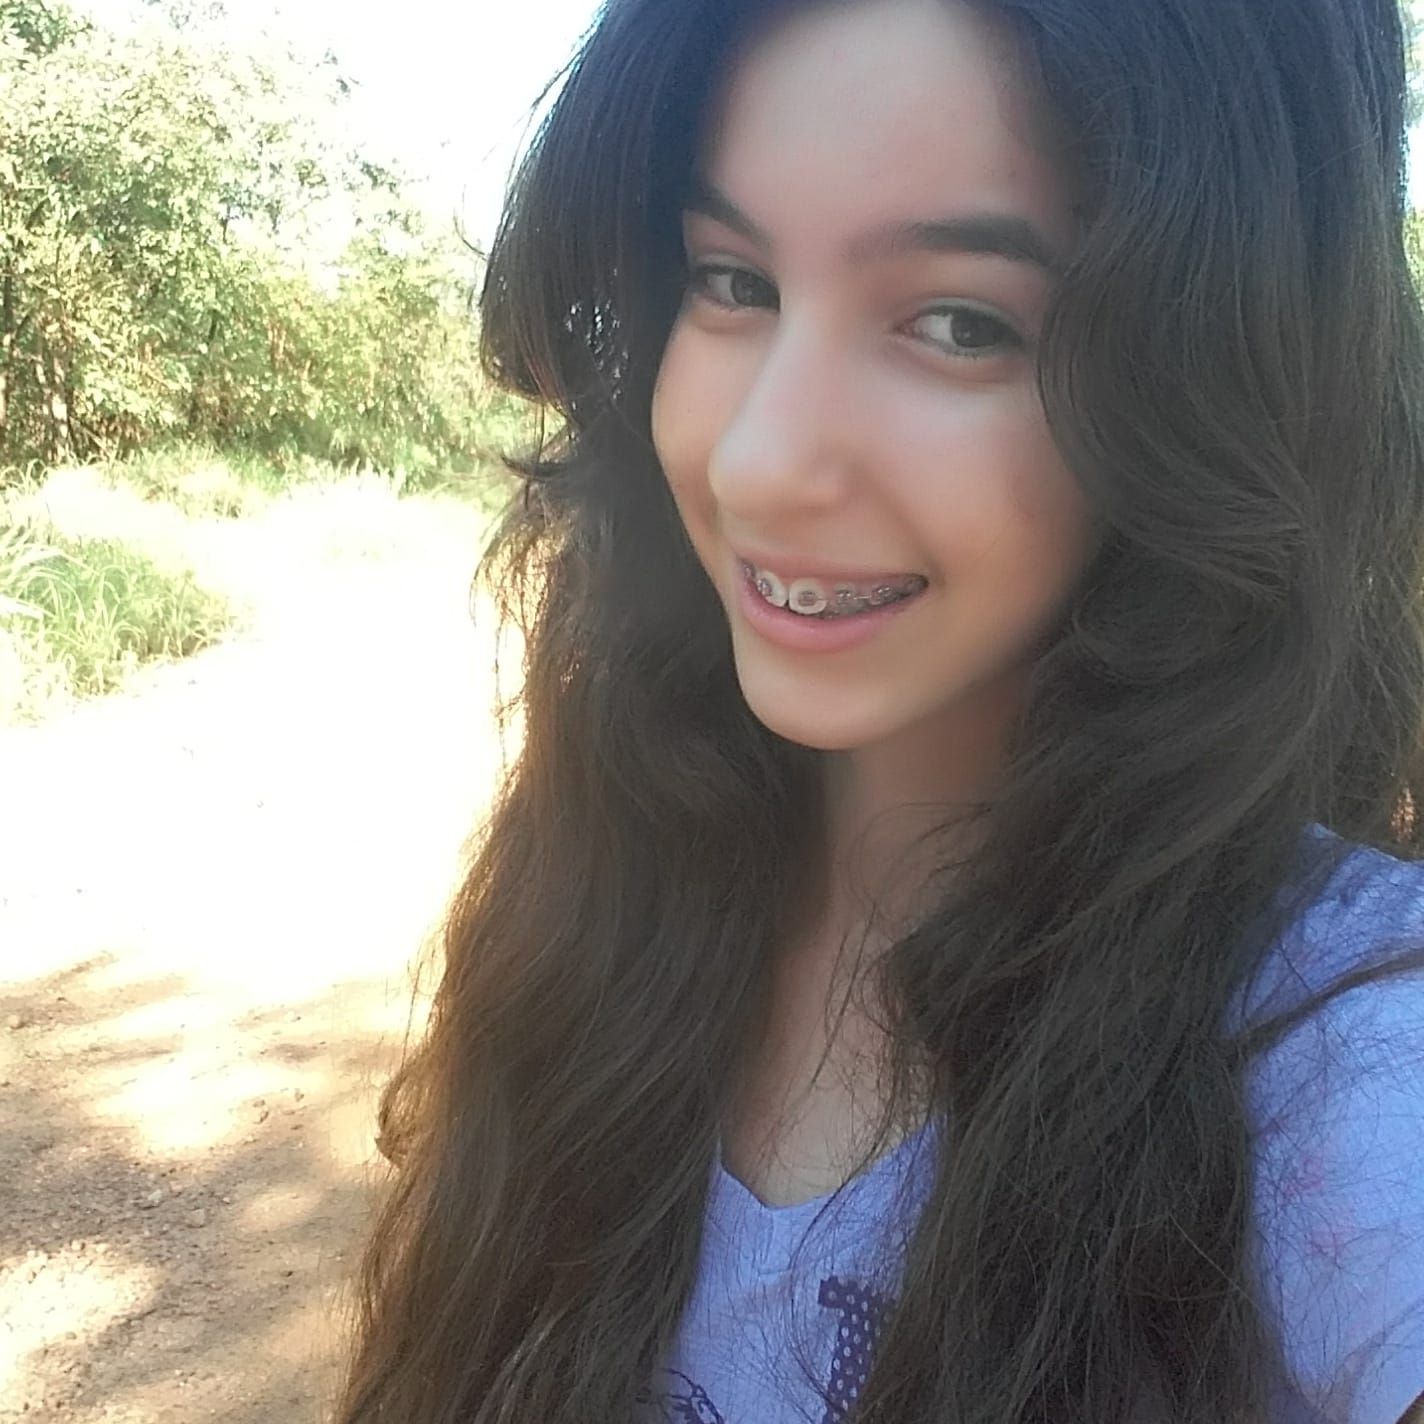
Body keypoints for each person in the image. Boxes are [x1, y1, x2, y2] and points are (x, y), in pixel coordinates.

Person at [329, 0, 1424, 1420]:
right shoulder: (607, 874)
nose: (762, 461)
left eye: (960, 323)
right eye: (732, 282)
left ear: (1211, 386)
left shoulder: (1341, 1054)